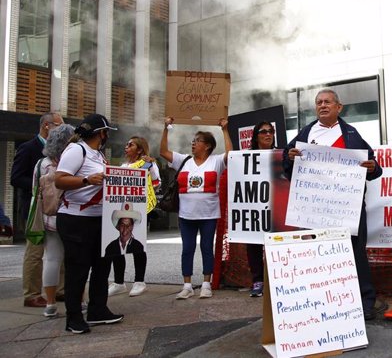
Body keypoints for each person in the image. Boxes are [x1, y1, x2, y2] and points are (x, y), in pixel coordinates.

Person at [283, 88, 387, 321]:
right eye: (319, 102)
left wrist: (371, 167)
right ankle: (323, 301)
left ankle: (364, 302)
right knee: (319, 255)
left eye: (327, 102)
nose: (322, 105)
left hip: (348, 207)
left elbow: (374, 167)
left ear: (339, 107)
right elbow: (287, 165)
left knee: (356, 254)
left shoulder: (351, 133)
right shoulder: (305, 133)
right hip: (315, 209)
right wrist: (290, 158)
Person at [54, 114, 124, 334]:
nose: (107, 137)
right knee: (78, 269)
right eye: (106, 132)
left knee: (102, 266)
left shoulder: (98, 154)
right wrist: (86, 180)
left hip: (99, 218)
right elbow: (60, 179)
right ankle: (73, 318)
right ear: (101, 133)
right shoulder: (77, 150)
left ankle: (97, 309)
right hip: (76, 219)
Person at [160, 116, 232, 300]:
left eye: (197, 141)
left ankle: (206, 284)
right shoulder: (184, 161)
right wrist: (166, 128)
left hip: (208, 214)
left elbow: (231, 154)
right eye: (193, 141)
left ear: (207, 146)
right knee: (187, 249)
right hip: (186, 215)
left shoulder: (216, 161)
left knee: (207, 247)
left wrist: (224, 129)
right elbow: (163, 152)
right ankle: (187, 285)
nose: (193, 144)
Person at [11, 112, 64, 308]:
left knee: (60, 251)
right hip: (36, 208)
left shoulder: (62, 151)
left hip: (56, 209)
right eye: (59, 124)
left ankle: (60, 290)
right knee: (35, 252)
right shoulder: (28, 148)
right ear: (47, 126)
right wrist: (40, 186)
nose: (62, 128)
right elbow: (16, 178)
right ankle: (32, 294)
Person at [108, 136, 161, 297]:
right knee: (117, 245)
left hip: (140, 209)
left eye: (130, 145)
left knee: (137, 245)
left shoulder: (148, 164)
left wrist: (150, 166)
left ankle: (139, 282)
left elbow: (156, 183)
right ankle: (118, 282)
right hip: (122, 208)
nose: (126, 147)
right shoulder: (123, 166)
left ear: (139, 149)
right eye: (126, 144)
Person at [35, 123, 74, 317]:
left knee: (51, 259)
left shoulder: (41, 164)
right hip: (73, 216)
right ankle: (80, 300)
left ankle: (50, 304)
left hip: (49, 217)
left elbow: (36, 192)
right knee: (76, 260)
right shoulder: (72, 161)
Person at [246, 121, 276, 298]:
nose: (268, 134)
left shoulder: (281, 154)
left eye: (270, 131)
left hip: (275, 207)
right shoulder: (246, 157)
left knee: (275, 244)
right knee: (254, 244)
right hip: (254, 207)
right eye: (263, 131)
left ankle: (276, 280)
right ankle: (258, 280)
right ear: (256, 136)